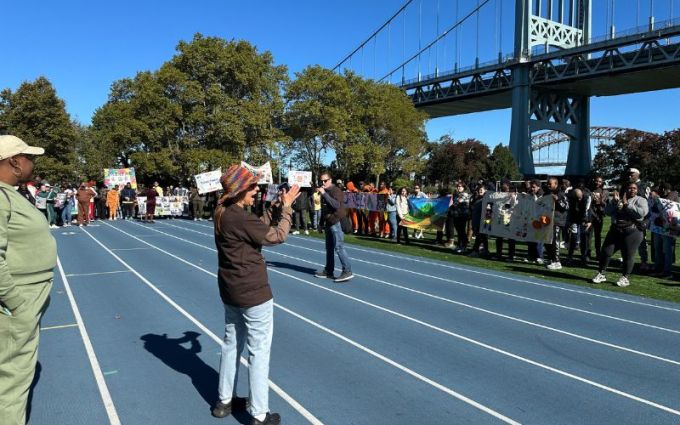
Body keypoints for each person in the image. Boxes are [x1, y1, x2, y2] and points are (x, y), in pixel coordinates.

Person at [212, 164, 299, 425]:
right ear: (240, 191)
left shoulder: (223, 212)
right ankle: (259, 414)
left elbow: (254, 231)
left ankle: (224, 401)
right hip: (253, 291)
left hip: (230, 289)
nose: (256, 190)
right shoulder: (239, 216)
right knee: (259, 351)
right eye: (252, 186)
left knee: (231, 344)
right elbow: (276, 236)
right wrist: (286, 209)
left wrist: (273, 208)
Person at [0, 135, 56, 425]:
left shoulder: (8, 193)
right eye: (29, 157)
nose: (33, 163)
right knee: (11, 383)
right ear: (14, 162)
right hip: (16, 303)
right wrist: (15, 302)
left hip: (25, 299)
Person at [592, 182, 649, 287]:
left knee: (628, 255)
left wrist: (627, 204)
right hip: (616, 230)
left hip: (632, 231)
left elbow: (642, 214)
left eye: (634, 188)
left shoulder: (641, 200)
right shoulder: (618, 199)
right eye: (629, 188)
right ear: (626, 189)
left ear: (637, 190)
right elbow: (607, 212)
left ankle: (625, 277)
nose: (632, 190)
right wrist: (613, 202)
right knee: (605, 251)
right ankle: (601, 273)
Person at [314, 171, 353, 282]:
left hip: (337, 221)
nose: (323, 183)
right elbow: (324, 209)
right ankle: (329, 271)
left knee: (339, 247)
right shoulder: (324, 192)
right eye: (321, 181)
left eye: (325, 181)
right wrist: (321, 224)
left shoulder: (336, 191)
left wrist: (324, 194)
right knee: (329, 248)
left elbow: (336, 205)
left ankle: (347, 271)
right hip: (328, 222)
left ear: (330, 180)